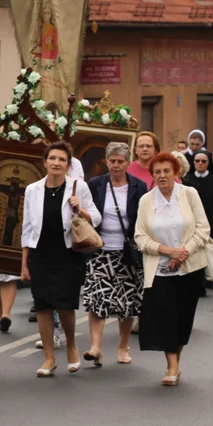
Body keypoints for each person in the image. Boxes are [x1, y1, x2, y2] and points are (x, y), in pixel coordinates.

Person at [22, 142, 100, 377]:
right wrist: (24, 263)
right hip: (41, 254)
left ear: (68, 165)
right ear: (44, 162)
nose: (56, 163)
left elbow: (96, 217)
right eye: (52, 158)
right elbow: (27, 228)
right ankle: (48, 357)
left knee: (66, 305)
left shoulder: (79, 187)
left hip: (68, 253)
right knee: (43, 306)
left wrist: (81, 209)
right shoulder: (32, 190)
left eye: (61, 160)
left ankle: (71, 345)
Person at [135, 152, 210, 386]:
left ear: (176, 172)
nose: (162, 176)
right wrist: (167, 251)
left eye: (167, 171)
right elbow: (140, 237)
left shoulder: (189, 194)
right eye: (157, 172)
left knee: (183, 318)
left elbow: (203, 229)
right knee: (166, 317)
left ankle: (175, 359)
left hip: (189, 268)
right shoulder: (147, 201)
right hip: (159, 270)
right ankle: (172, 366)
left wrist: (183, 252)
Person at [83, 142, 147, 366]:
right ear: (106, 161)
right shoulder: (95, 184)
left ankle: (123, 346)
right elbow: (88, 212)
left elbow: (143, 217)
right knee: (97, 299)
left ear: (128, 163)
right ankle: (96, 346)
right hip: (100, 250)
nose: (116, 165)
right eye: (112, 161)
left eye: (120, 161)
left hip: (128, 252)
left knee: (127, 303)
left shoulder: (138, 186)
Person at [184, 150, 213, 291]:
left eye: (203, 161)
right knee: (195, 252)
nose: (200, 164)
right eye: (197, 161)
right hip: (192, 222)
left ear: (208, 163)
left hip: (212, 221)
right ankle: (200, 284)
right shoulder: (188, 180)